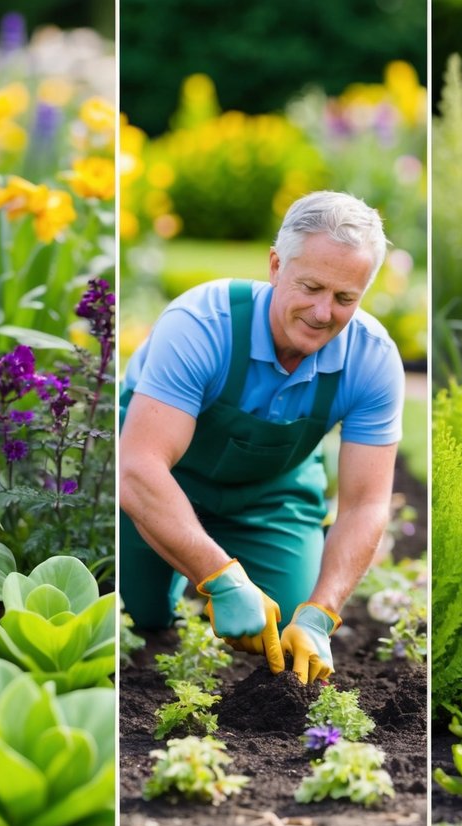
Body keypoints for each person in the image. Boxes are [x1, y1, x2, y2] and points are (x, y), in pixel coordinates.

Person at [119, 191, 403, 684]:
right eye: (310, 287)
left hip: (271, 491)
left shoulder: (371, 360)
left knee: (288, 622)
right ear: (275, 265)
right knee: (134, 614)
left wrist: (321, 614)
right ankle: (176, 579)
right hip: (163, 478)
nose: (321, 313)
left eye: (344, 299)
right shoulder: (202, 326)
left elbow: (365, 504)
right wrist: (219, 577)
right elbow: (138, 467)